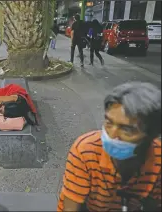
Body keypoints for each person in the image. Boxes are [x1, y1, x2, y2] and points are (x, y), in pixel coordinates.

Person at [57, 82, 161, 212]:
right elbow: (71, 207)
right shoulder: (86, 150)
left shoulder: (158, 158)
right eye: (109, 123)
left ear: (151, 135)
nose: (112, 135)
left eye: (127, 129)